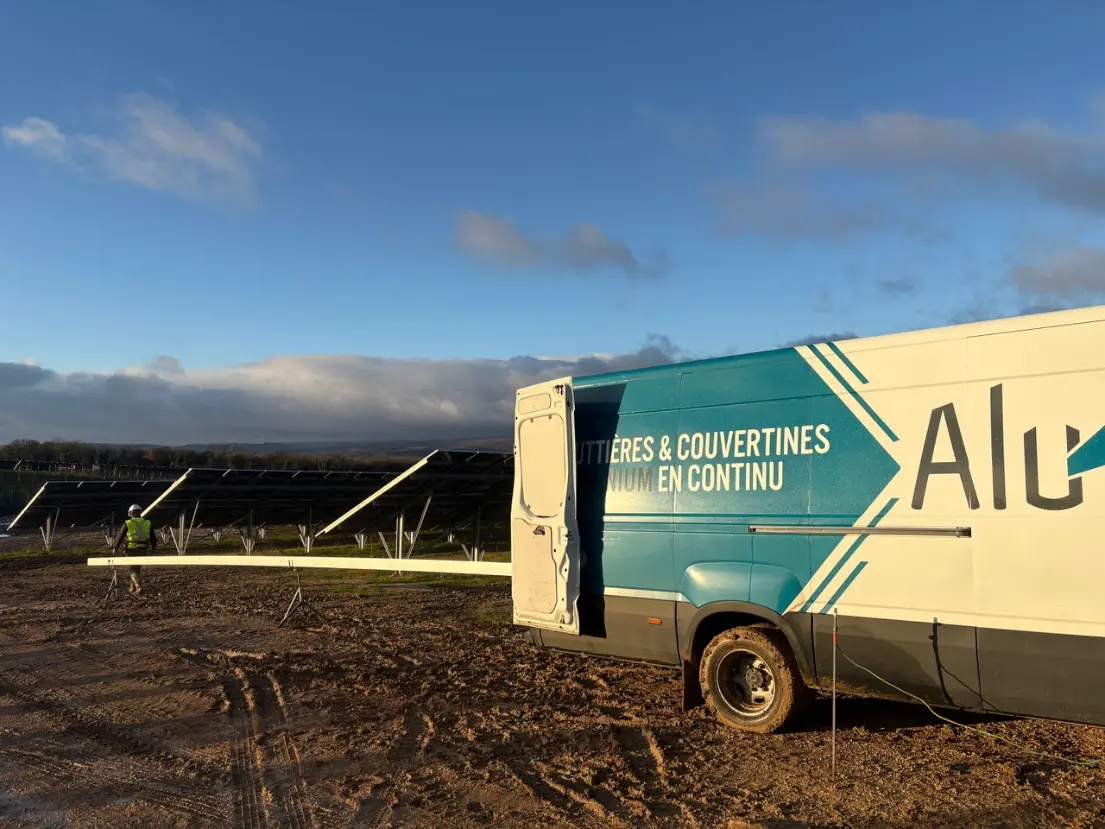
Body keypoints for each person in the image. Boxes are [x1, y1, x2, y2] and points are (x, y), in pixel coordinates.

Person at [112, 504, 157, 596]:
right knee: (137, 568)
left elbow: (119, 537)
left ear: (130, 513)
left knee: (132, 569)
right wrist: (153, 548)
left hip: (132, 549)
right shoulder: (147, 522)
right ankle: (132, 588)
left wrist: (115, 548)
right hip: (144, 548)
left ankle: (139, 587)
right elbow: (153, 537)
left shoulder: (128, 523)